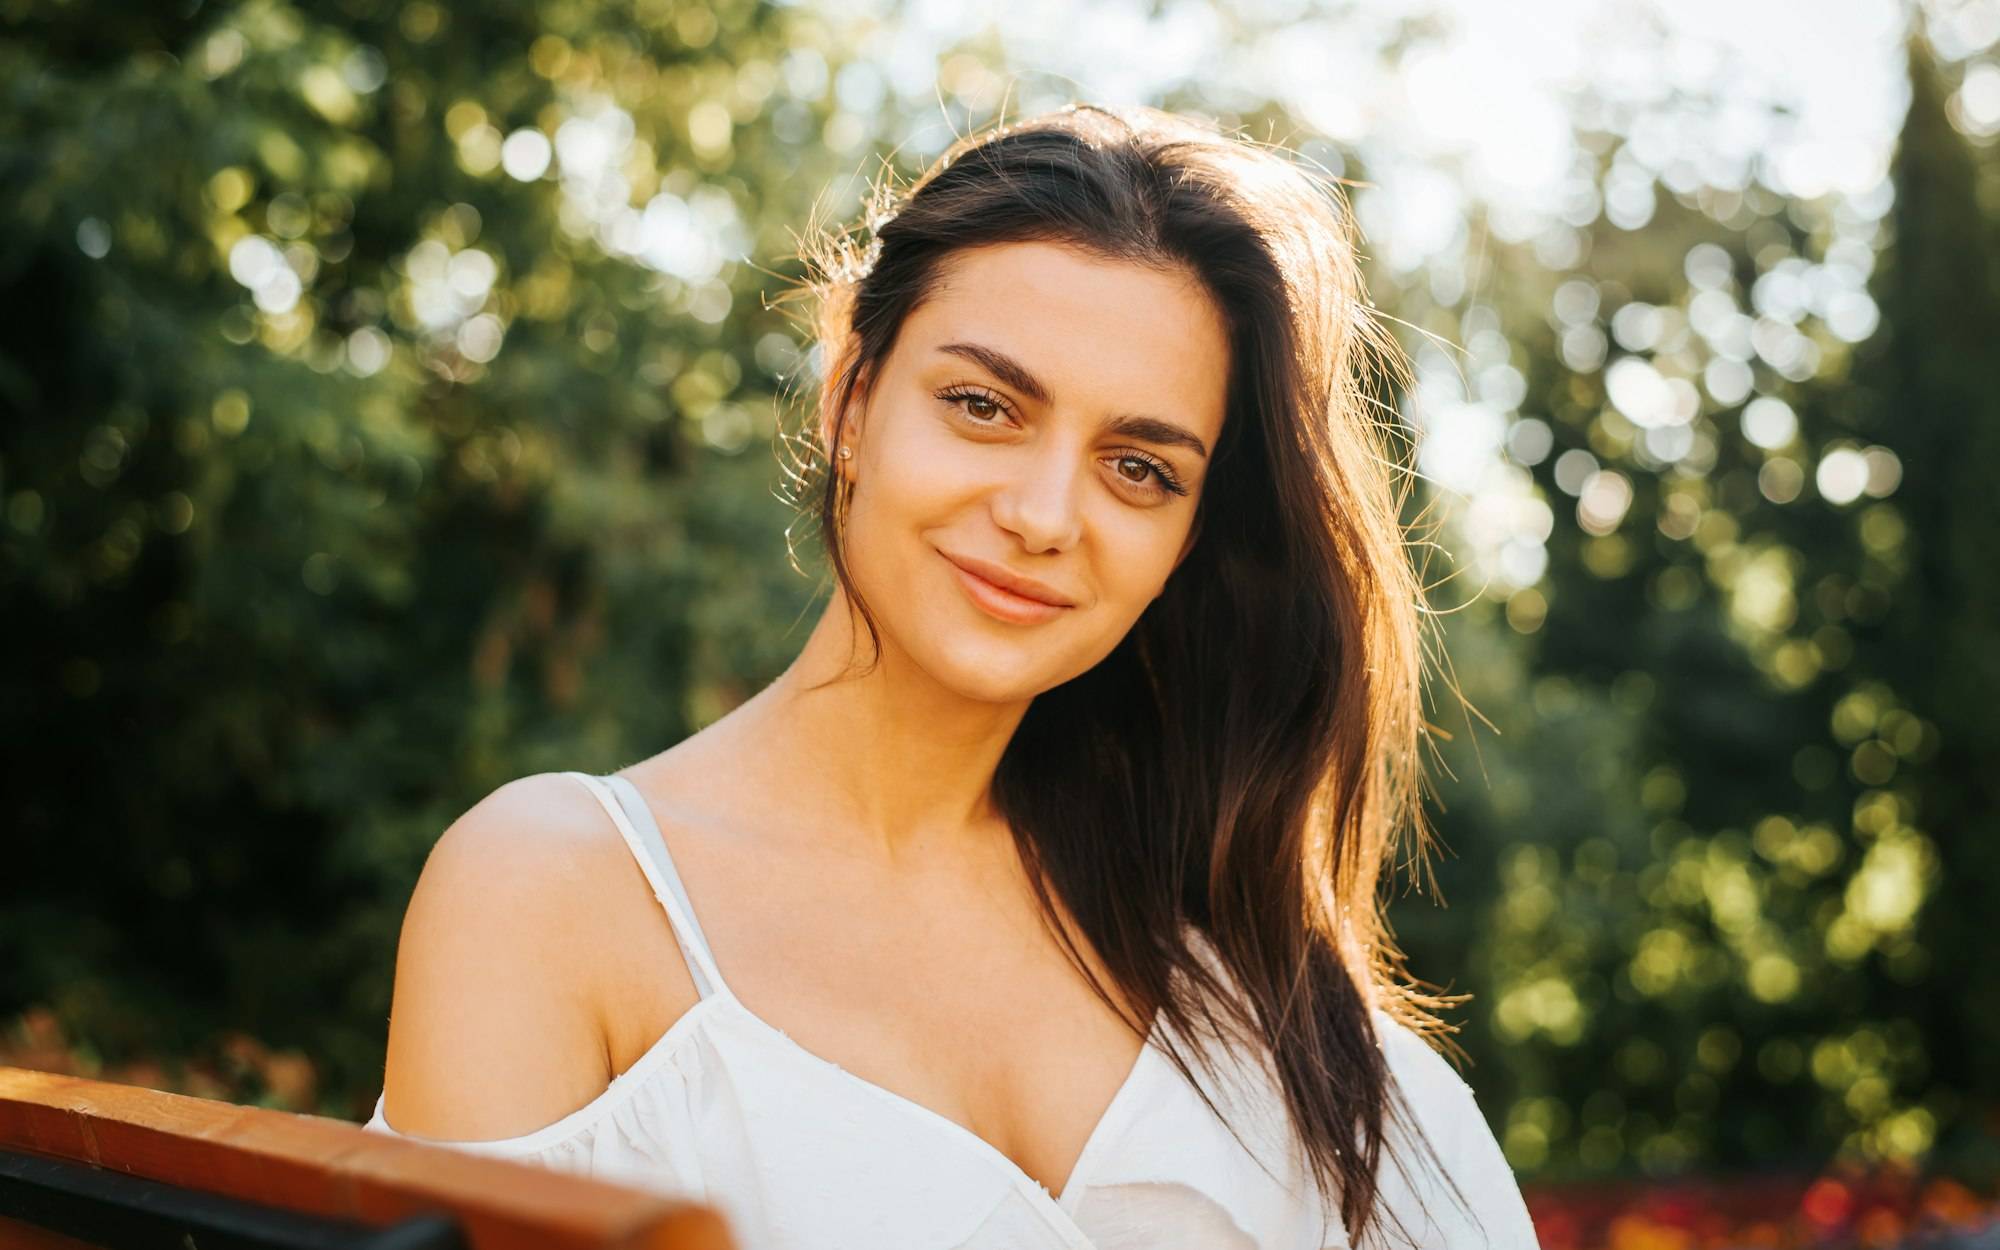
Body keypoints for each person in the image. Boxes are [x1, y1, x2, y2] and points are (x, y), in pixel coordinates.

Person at [362, 102, 1540, 1250]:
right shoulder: (556, 891)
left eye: (1137, 467)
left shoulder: (1263, 993)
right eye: (981, 406)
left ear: (1187, 539)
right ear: (852, 402)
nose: (1041, 515)